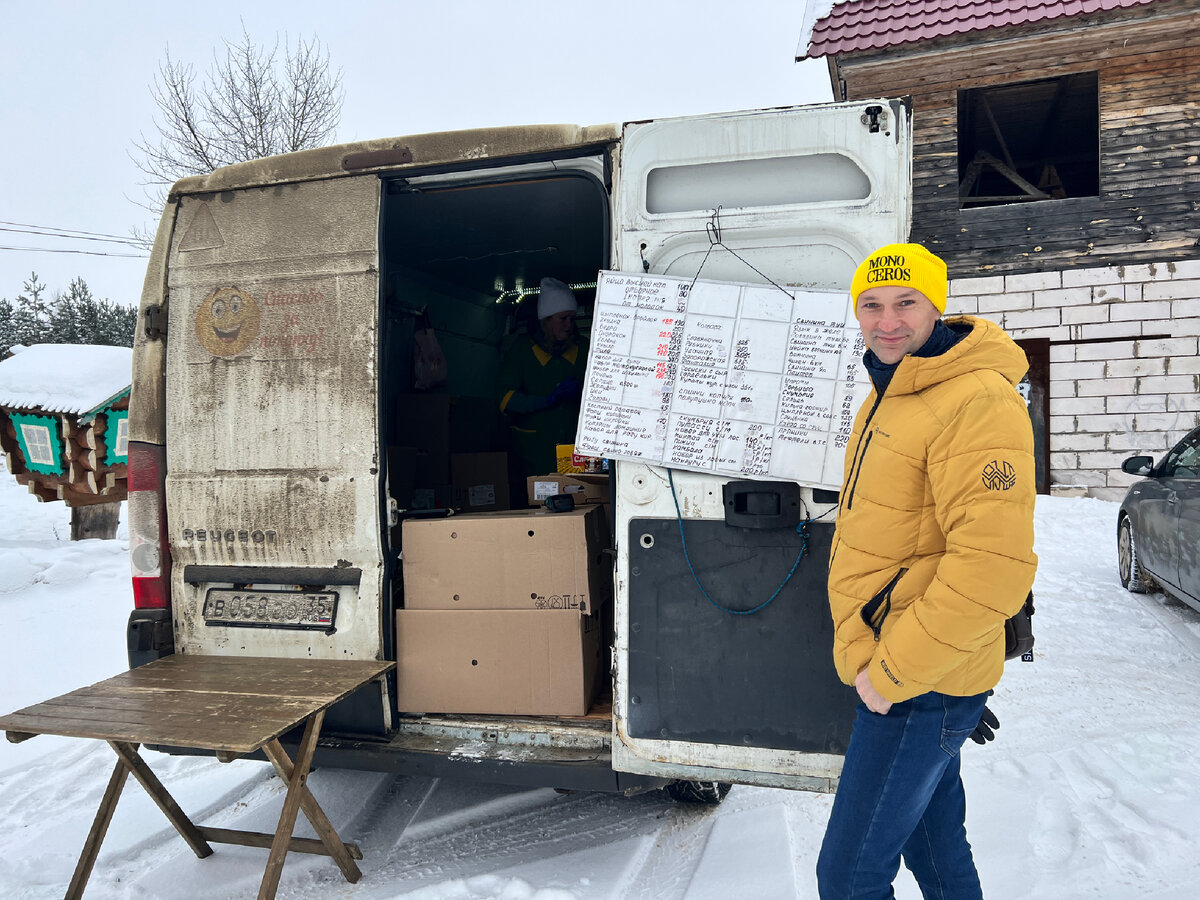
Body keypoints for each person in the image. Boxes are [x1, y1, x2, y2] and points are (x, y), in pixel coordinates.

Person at [817, 242, 1038, 899]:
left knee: (849, 878)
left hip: (915, 682)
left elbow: (993, 566)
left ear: (936, 305)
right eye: (871, 305)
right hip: (919, 672)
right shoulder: (893, 393)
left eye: (906, 302)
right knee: (938, 856)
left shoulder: (974, 400)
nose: (888, 320)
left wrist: (893, 674)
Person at [497, 276, 589, 478]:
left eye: (572, 319)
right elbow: (505, 398)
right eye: (562, 319)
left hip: (577, 450)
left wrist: (582, 390)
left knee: (581, 495)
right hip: (535, 451)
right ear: (546, 320)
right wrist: (546, 400)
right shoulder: (522, 350)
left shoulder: (584, 349)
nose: (569, 325)